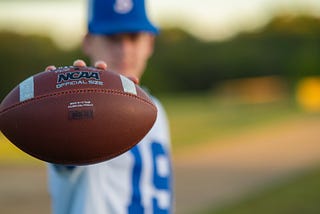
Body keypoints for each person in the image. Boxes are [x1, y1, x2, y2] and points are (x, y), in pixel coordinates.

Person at [46, 0, 173, 213]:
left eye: (134, 37)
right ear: (88, 42)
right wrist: (60, 111)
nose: (124, 50)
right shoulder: (82, 110)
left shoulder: (155, 109)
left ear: (149, 43)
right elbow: (68, 157)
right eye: (112, 38)